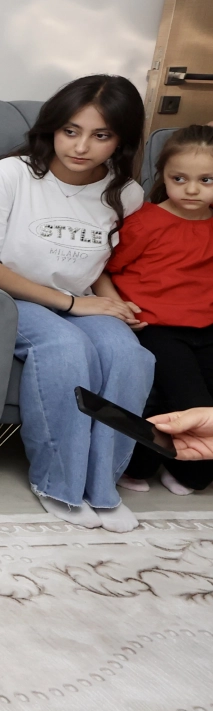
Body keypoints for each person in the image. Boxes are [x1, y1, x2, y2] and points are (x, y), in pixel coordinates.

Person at [0, 73, 153, 532]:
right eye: (70, 131)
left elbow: (101, 261)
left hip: (80, 299)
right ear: (52, 128)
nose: (81, 146)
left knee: (130, 356)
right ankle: (59, 484)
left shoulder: (126, 193)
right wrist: (71, 304)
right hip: (8, 298)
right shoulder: (11, 175)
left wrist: (115, 304)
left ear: (120, 141)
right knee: (65, 348)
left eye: (100, 135)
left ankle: (103, 487)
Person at [102, 124, 213, 494]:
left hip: (206, 328)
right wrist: (117, 305)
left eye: (206, 180)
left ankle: (185, 473)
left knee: (204, 407)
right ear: (163, 175)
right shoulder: (145, 223)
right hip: (156, 327)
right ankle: (138, 466)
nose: (192, 190)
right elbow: (104, 269)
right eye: (179, 179)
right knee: (185, 400)